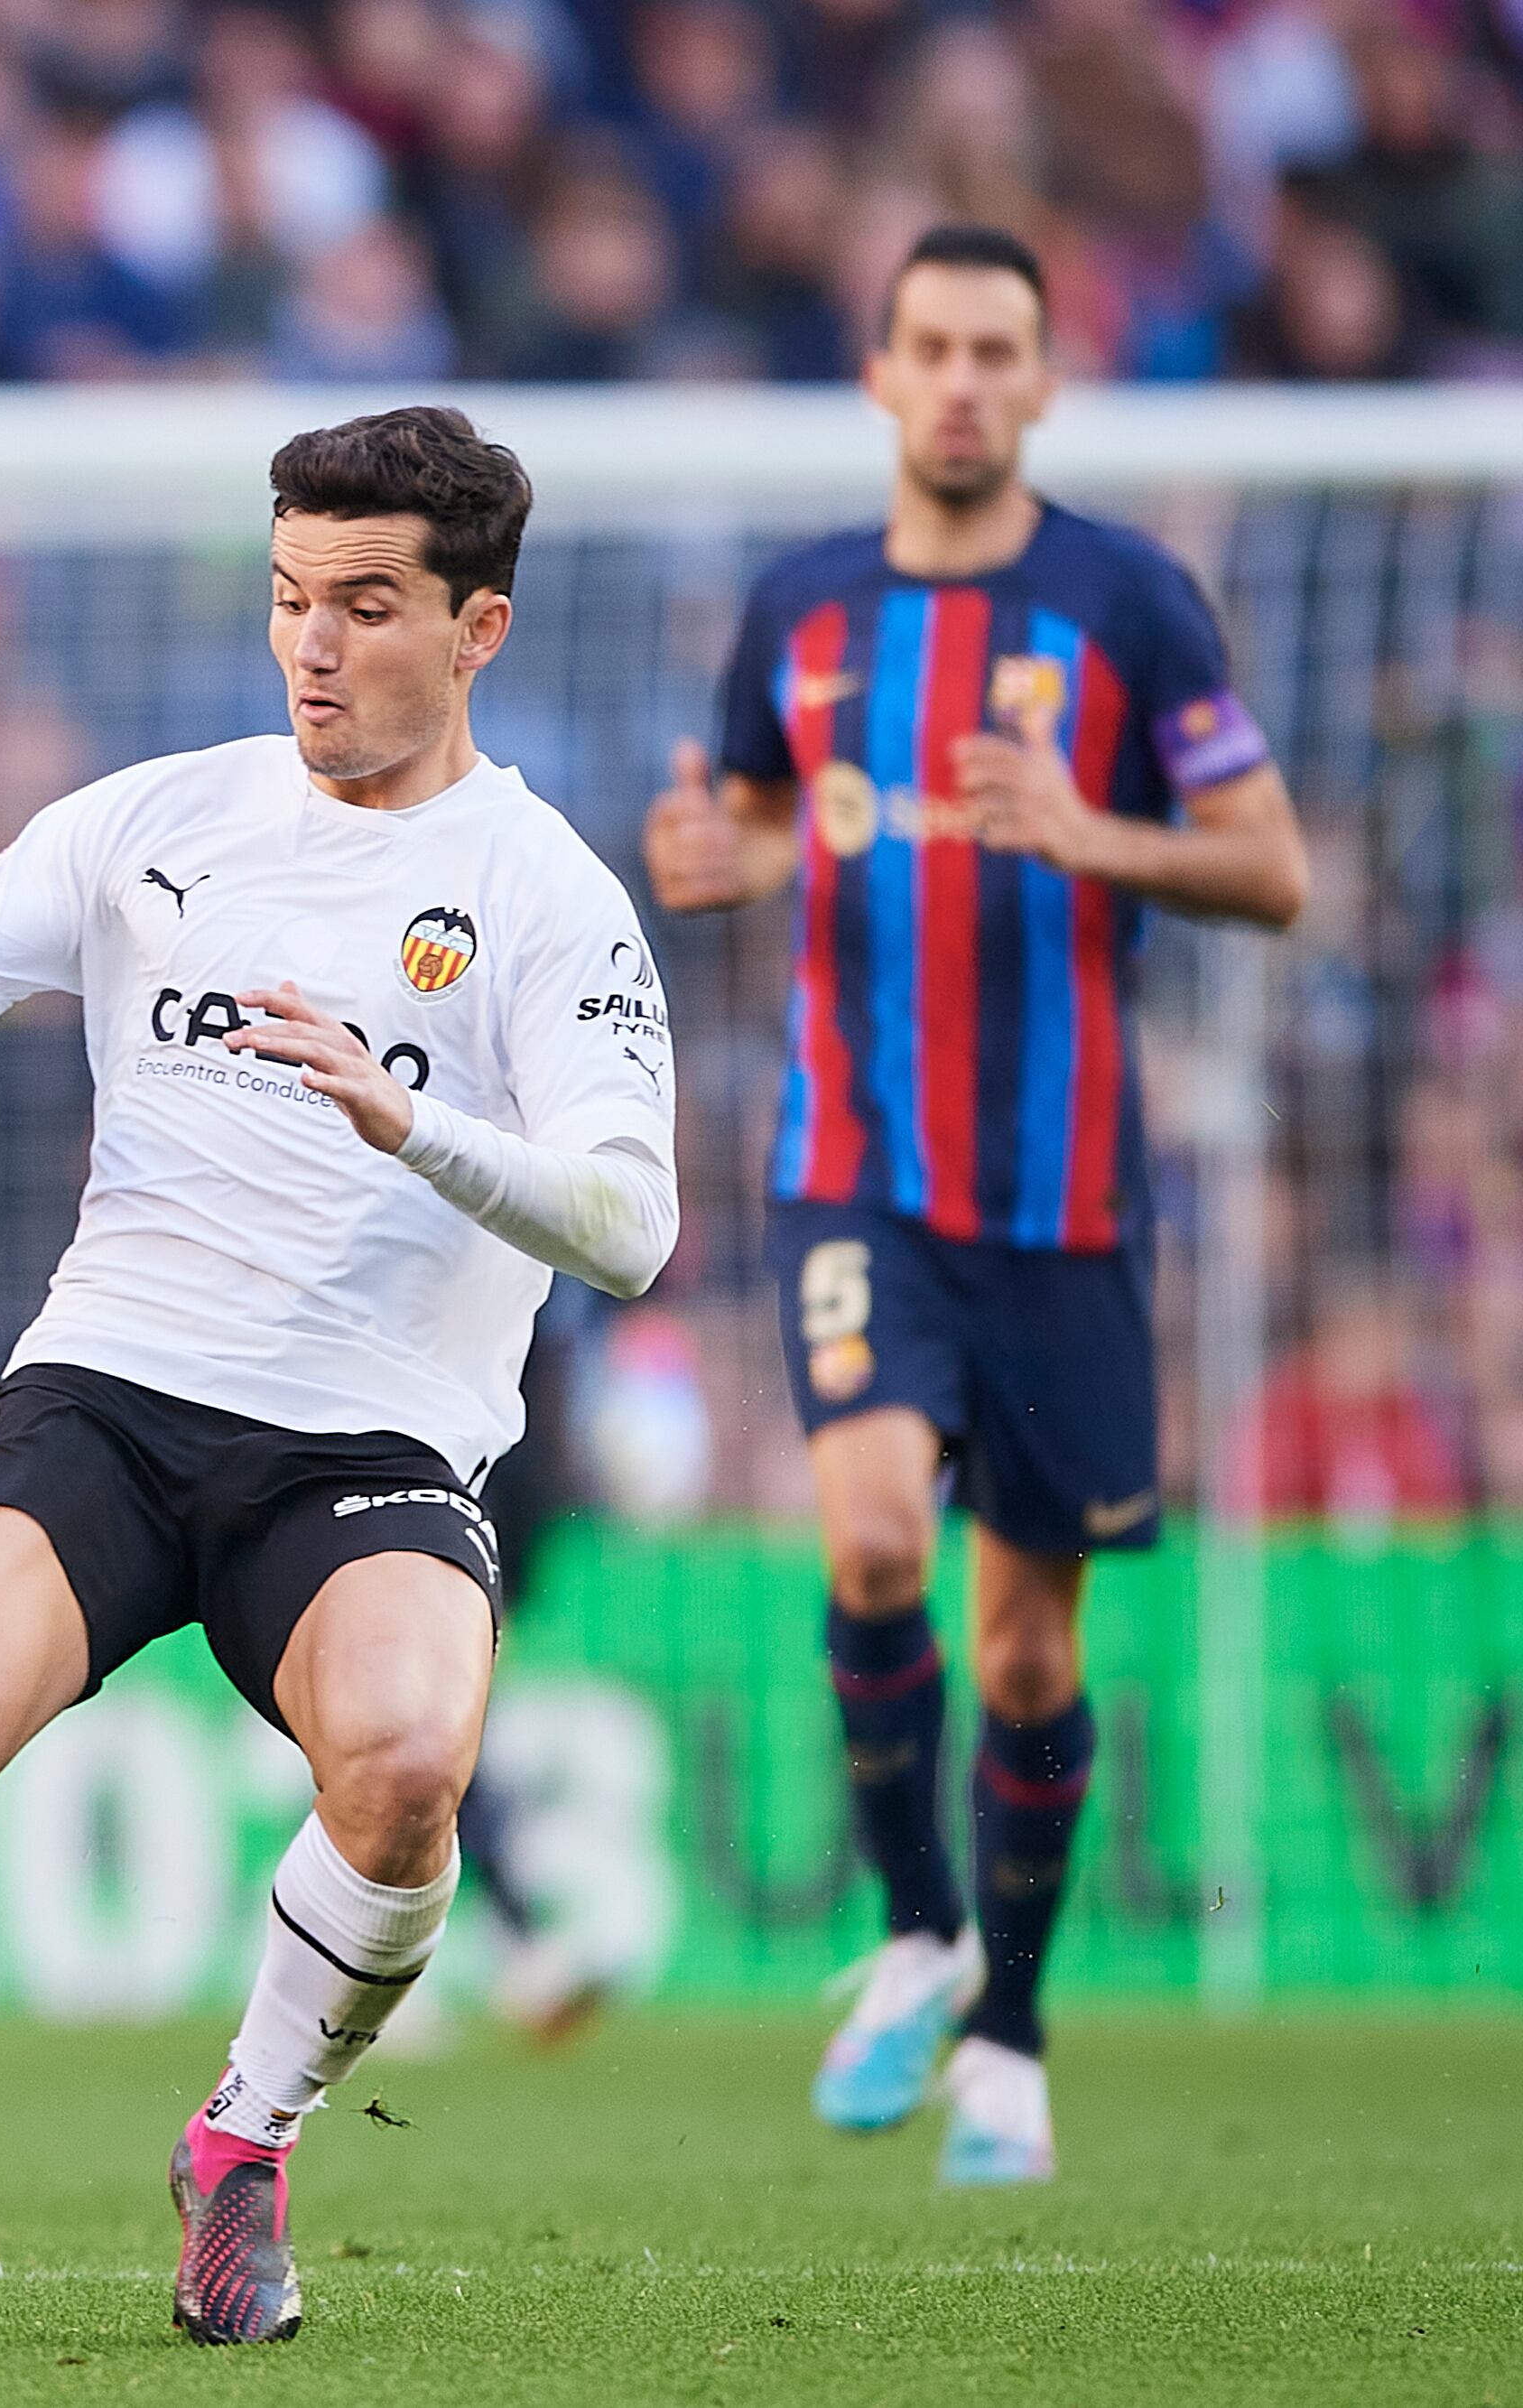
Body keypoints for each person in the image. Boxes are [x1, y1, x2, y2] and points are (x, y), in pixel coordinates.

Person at [0, 406, 681, 2354]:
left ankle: (240, 2142)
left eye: (364, 604)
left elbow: (626, 1223)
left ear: (477, 629)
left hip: (365, 1443)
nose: (314, 645)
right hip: (105, 1395)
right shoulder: (150, 822)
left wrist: (409, 1125)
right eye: (289, 599)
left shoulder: (541, 894)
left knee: (410, 1765)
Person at [644, 224, 1307, 2187]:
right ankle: (915, 1924)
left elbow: (1266, 867)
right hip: (854, 1171)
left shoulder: (1125, 599)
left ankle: (1005, 2033)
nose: (953, 378)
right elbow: (760, 808)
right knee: (862, 1531)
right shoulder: (801, 605)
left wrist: (1081, 829)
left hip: (1067, 1204)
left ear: (1037, 380)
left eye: (989, 348)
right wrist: (712, 851)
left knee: (1023, 1652)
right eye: (923, 344)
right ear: (874, 372)